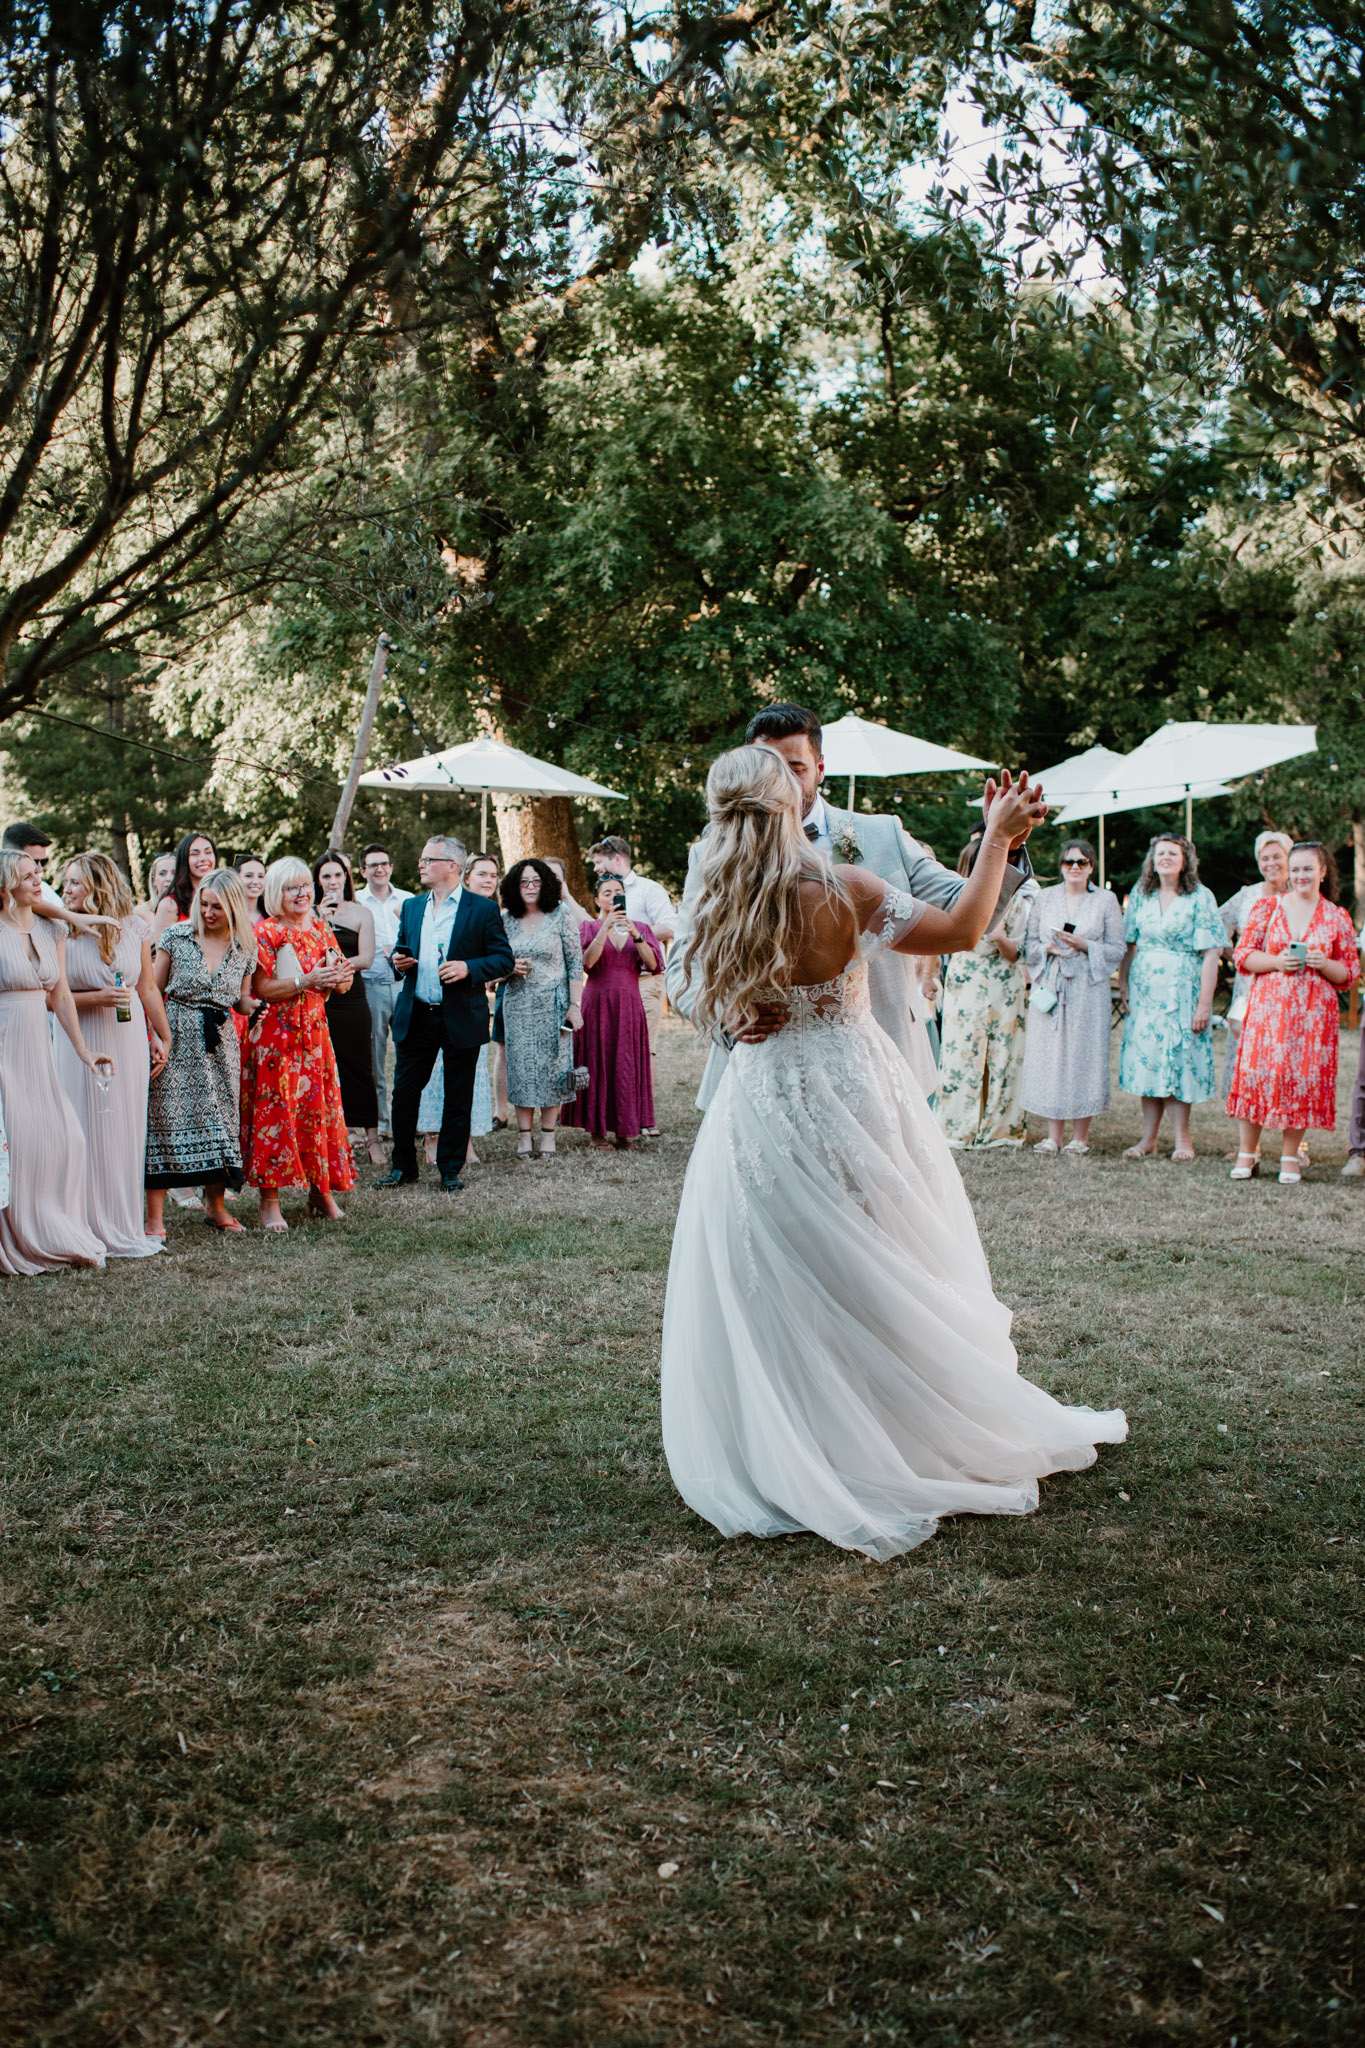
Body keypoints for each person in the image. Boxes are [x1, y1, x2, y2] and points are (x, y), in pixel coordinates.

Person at [659, 748, 1124, 1560]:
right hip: (848, 1088)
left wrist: (727, 1018)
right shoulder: (844, 891)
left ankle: (800, 1439)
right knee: (876, 1257)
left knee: (781, 1266)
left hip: (762, 1099)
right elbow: (965, 929)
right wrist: (993, 840)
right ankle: (884, 1434)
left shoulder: (714, 899)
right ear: (787, 805)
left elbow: (681, 986)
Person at [666, 703, 1038, 1109]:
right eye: (770, 767)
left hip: (881, 1060)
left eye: (795, 767)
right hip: (762, 1069)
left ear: (820, 769)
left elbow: (963, 910)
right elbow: (685, 960)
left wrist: (1004, 849)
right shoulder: (713, 855)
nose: (782, 781)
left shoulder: (881, 834)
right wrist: (724, 1018)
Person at [376, 837, 514, 1193]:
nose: (420, 865)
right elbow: (402, 958)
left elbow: (503, 959)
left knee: (458, 1094)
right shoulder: (412, 907)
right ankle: (403, 1166)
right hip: (418, 1012)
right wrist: (400, 963)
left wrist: (469, 967)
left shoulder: (481, 910)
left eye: (428, 859)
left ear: (452, 866)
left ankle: (451, 1168)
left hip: (460, 1014)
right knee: (404, 1094)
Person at [0, 851, 112, 1275]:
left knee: (65, 1140)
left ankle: (50, 1229)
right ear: (7, 885)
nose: (38, 880)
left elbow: (61, 994)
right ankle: (13, 1237)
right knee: (17, 1144)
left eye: (38, 873)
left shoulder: (51, 928)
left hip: (38, 1047)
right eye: (27, 875)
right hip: (4, 1043)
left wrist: (83, 1051)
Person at [56, 853, 171, 1260]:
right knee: (81, 1127)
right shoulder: (60, 929)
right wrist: (97, 998)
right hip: (78, 1040)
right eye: (66, 882)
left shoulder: (134, 926)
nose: (65, 890)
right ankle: (79, 1222)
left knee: (123, 1127)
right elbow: (52, 998)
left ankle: (122, 1222)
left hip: (126, 1037)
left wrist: (161, 1034)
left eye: (74, 883)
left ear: (99, 887)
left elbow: (147, 989)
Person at [1226, 842, 1360, 1184]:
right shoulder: (1267, 908)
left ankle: (1289, 1154)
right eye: (1296, 868)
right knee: (1257, 1074)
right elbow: (1243, 956)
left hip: (1313, 1017)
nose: (1301, 875)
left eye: (1308, 869)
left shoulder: (1336, 916)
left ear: (1323, 872)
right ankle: (1247, 1152)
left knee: (1299, 1080)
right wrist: (1275, 962)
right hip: (1269, 1012)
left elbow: (1349, 972)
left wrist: (1324, 963)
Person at [243, 857, 356, 1230]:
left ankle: (320, 1192)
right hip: (278, 1035)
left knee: (317, 1111)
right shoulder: (267, 932)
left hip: (316, 1034)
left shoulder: (323, 930)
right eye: (292, 888)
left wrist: (338, 978)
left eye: (306, 885)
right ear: (277, 893)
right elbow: (261, 989)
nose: (302, 893)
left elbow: (344, 983)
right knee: (277, 1115)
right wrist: (305, 981)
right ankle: (269, 1200)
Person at [144, 868, 258, 1236]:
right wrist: (156, 1037)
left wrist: (252, 1005)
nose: (208, 913)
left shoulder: (245, 947)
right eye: (203, 905)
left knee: (220, 1121)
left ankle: (216, 1206)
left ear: (234, 908)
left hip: (220, 1041)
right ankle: (155, 1218)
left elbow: (240, 998)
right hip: (174, 1033)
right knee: (165, 1120)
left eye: (217, 907)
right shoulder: (176, 936)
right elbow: (153, 990)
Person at [1116, 834, 1225, 1162]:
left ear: (1185, 860)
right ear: (1152, 859)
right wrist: (1124, 986)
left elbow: (1211, 953)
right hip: (1146, 993)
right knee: (1148, 1063)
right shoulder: (1141, 894)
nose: (1165, 858)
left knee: (1179, 1063)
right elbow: (1129, 944)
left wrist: (1204, 1004)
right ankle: (1147, 1139)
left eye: (1172, 853)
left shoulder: (1200, 897)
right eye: (1160, 853)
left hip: (1183, 993)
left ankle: (1182, 1139)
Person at [1019, 838, 1126, 1154]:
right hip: (1051, 983)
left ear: (1092, 866)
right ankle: (1053, 1134)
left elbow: (1117, 948)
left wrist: (1084, 945)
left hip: (1087, 986)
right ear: (1061, 866)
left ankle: (1081, 1136)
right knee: (1051, 1055)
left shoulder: (1105, 901)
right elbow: (1027, 943)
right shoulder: (1045, 898)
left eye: (1082, 862)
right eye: (1069, 862)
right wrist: (1046, 949)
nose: (1075, 867)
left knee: (1083, 1055)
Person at [934, 833, 1035, 1149]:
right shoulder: (954, 894)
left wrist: (1001, 936)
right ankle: (959, 1124)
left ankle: (999, 1127)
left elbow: (1020, 952)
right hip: (966, 980)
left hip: (1005, 981)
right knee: (963, 1049)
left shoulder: (1019, 899)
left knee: (1004, 1052)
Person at [564, 869, 661, 1149]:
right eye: (607, 893)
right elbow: (587, 963)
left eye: (618, 892)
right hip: (597, 1002)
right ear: (597, 900)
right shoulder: (589, 928)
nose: (613, 896)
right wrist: (605, 929)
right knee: (598, 1060)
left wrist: (635, 934)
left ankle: (626, 1129)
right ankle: (597, 1132)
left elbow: (653, 965)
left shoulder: (641, 928)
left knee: (626, 1063)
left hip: (630, 1003)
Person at [417, 851, 501, 1166]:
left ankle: (462, 1139)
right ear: (465, 876)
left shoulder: (489, 911)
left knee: (468, 1076)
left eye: (493, 875)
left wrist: (479, 969)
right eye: (482, 874)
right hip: (434, 1003)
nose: (488, 880)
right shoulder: (441, 907)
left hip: (470, 1006)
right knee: (436, 1072)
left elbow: (496, 958)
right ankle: (431, 1137)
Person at [498, 858, 584, 1159]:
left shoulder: (560, 915)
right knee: (521, 1070)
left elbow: (575, 964)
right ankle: (524, 1136)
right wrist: (508, 968)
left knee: (554, 1069)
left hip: (555, 1004)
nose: (530, 887)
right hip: (518, 1004)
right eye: (524, 882)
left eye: (536, 881)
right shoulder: (505, 919)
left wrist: (575, 1005)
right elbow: (493, 968)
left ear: (546, 884)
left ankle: (548, 1135)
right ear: (514, 886)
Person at [588, 835, 675, 1130]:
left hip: (644, 981)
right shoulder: (598, 915)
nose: (597, 870)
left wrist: (640, 933)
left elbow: (672, 926)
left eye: (599, 863)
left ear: (616, 858)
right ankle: (606, 1119)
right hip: (605, 985)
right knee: (604, 1052)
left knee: (638, 1050)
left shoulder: (650, 889)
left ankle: (636, 1117)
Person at [314, 851, 382, 1163]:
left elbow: (366, 958)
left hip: (352, 999)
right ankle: (334, 1139)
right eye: (326, 876)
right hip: (319, 998)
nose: (332, 882)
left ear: (346, 878)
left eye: (337, 875)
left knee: (359, 1066)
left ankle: (371, 1138)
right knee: (325, 1069)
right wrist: (322, 920)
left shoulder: (360, 912)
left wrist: (338, 967)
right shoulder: (311, 914)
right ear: (318, 880)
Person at [1219, 831, 1293, 1097]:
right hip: (1249, 984)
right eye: (1265, 858)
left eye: (1277, 856)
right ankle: (1247, 1110)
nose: (1271, 863)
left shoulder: (1301, 894)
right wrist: (1238, 956)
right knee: (1247, 1049)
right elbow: (1216, 928)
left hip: (1288, 982)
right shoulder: (1247, 895)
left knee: (1282, 1049)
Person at [356, 842, 411, 1136]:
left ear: (391, 867)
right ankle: (381, 1122)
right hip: (371, 986)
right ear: (364, 870)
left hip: (404, 987)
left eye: (385, 863)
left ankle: (407, 1121)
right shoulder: (356, 901)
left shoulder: (408, 900)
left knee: (409, 1056)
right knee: (375, 1058)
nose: (380, 869)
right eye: (373, 864)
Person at [152, 831, 218, 936]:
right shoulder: (169, 905)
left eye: (208, 852)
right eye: (195, 854)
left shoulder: (225, 897)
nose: (203, 858)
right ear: (184, 860)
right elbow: (160, 950)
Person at [137, 851, 176, 922]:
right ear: (153, 880)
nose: (169, 878)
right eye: (162, 874)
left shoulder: (191, 908)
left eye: (174, 873)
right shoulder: (140, 912)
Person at [232, 852, 269, 928]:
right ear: (236, 877)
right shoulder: (227, 915)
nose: (256, 881)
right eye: (248, 876)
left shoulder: (271, 914)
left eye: (260, 876)